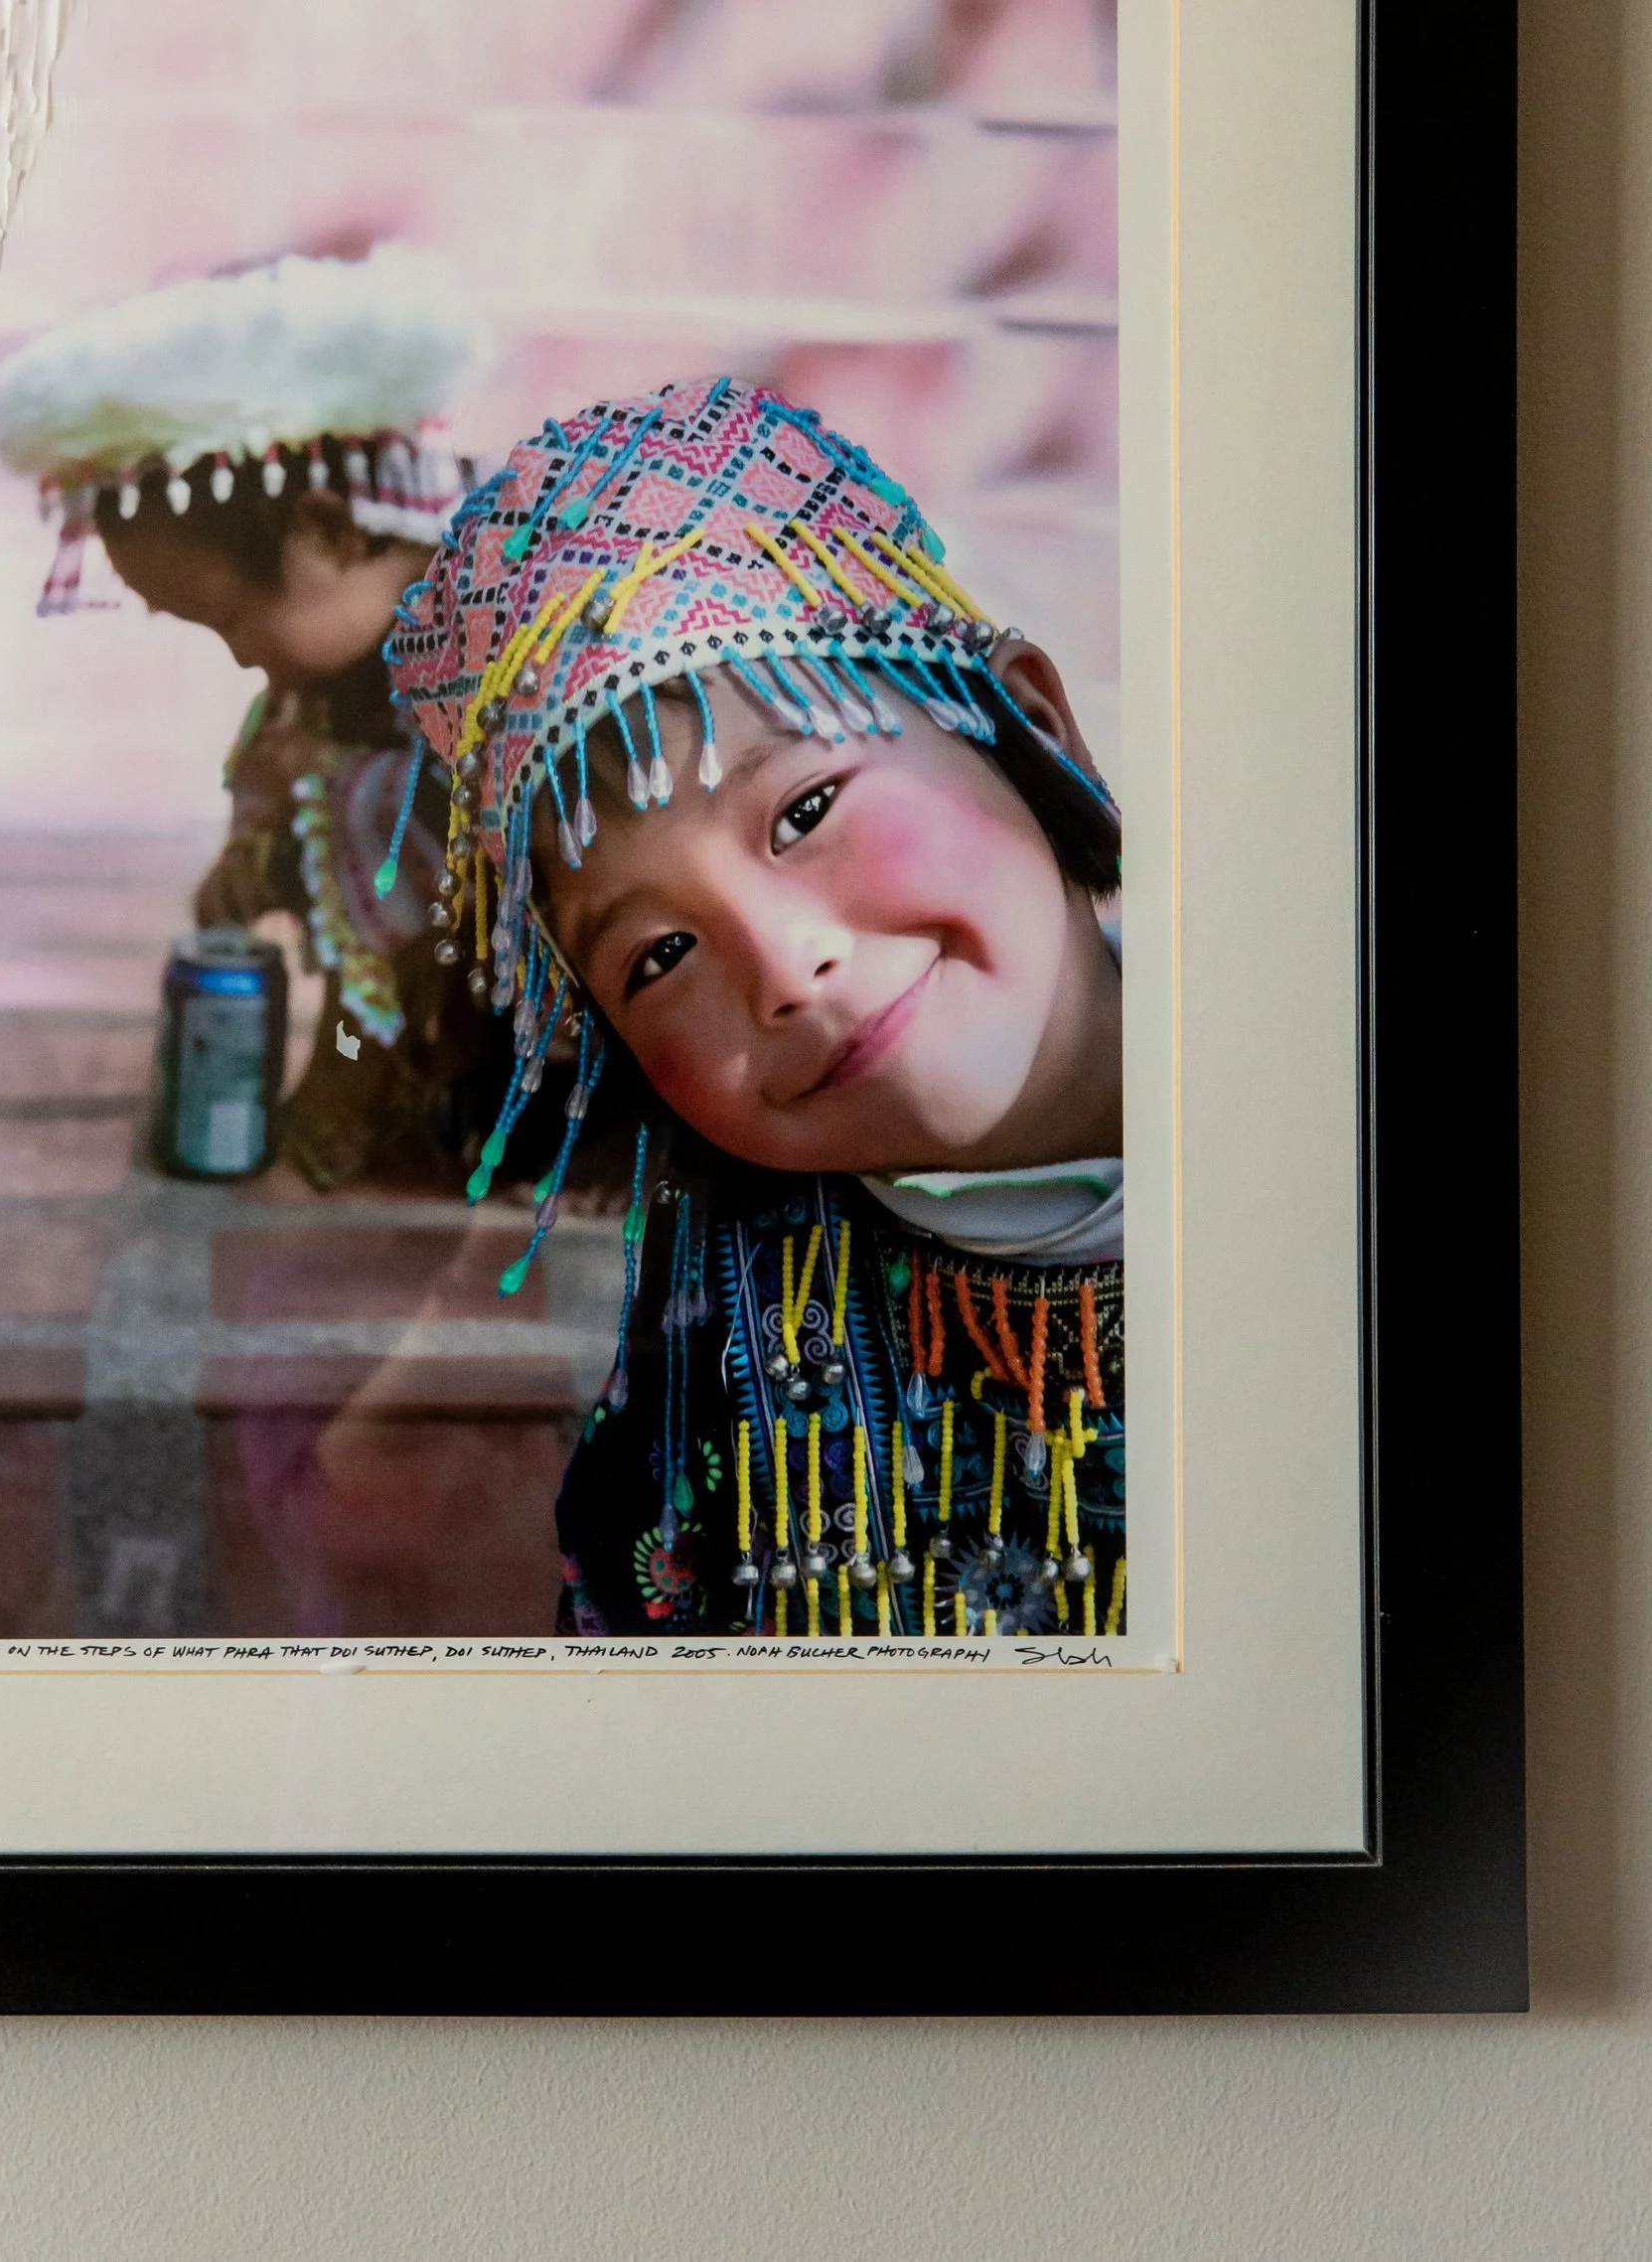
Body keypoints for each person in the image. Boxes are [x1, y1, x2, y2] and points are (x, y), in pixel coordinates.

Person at [384, 375, 1127, 1638]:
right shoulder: (713, 1331)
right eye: (660, 953)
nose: (785, 970)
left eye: (805, 810)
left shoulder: (1345, 1127)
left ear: (1032, 718)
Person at [0, 245, 501, 1191]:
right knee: (336, 799)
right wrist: (249, 864)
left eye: (230, 617)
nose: (237, 652)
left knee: (368, 814)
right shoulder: (324, 680)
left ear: (331, 531)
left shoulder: (507, 634)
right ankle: (411, 1079)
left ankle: (373, 1090)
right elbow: (279, 788)